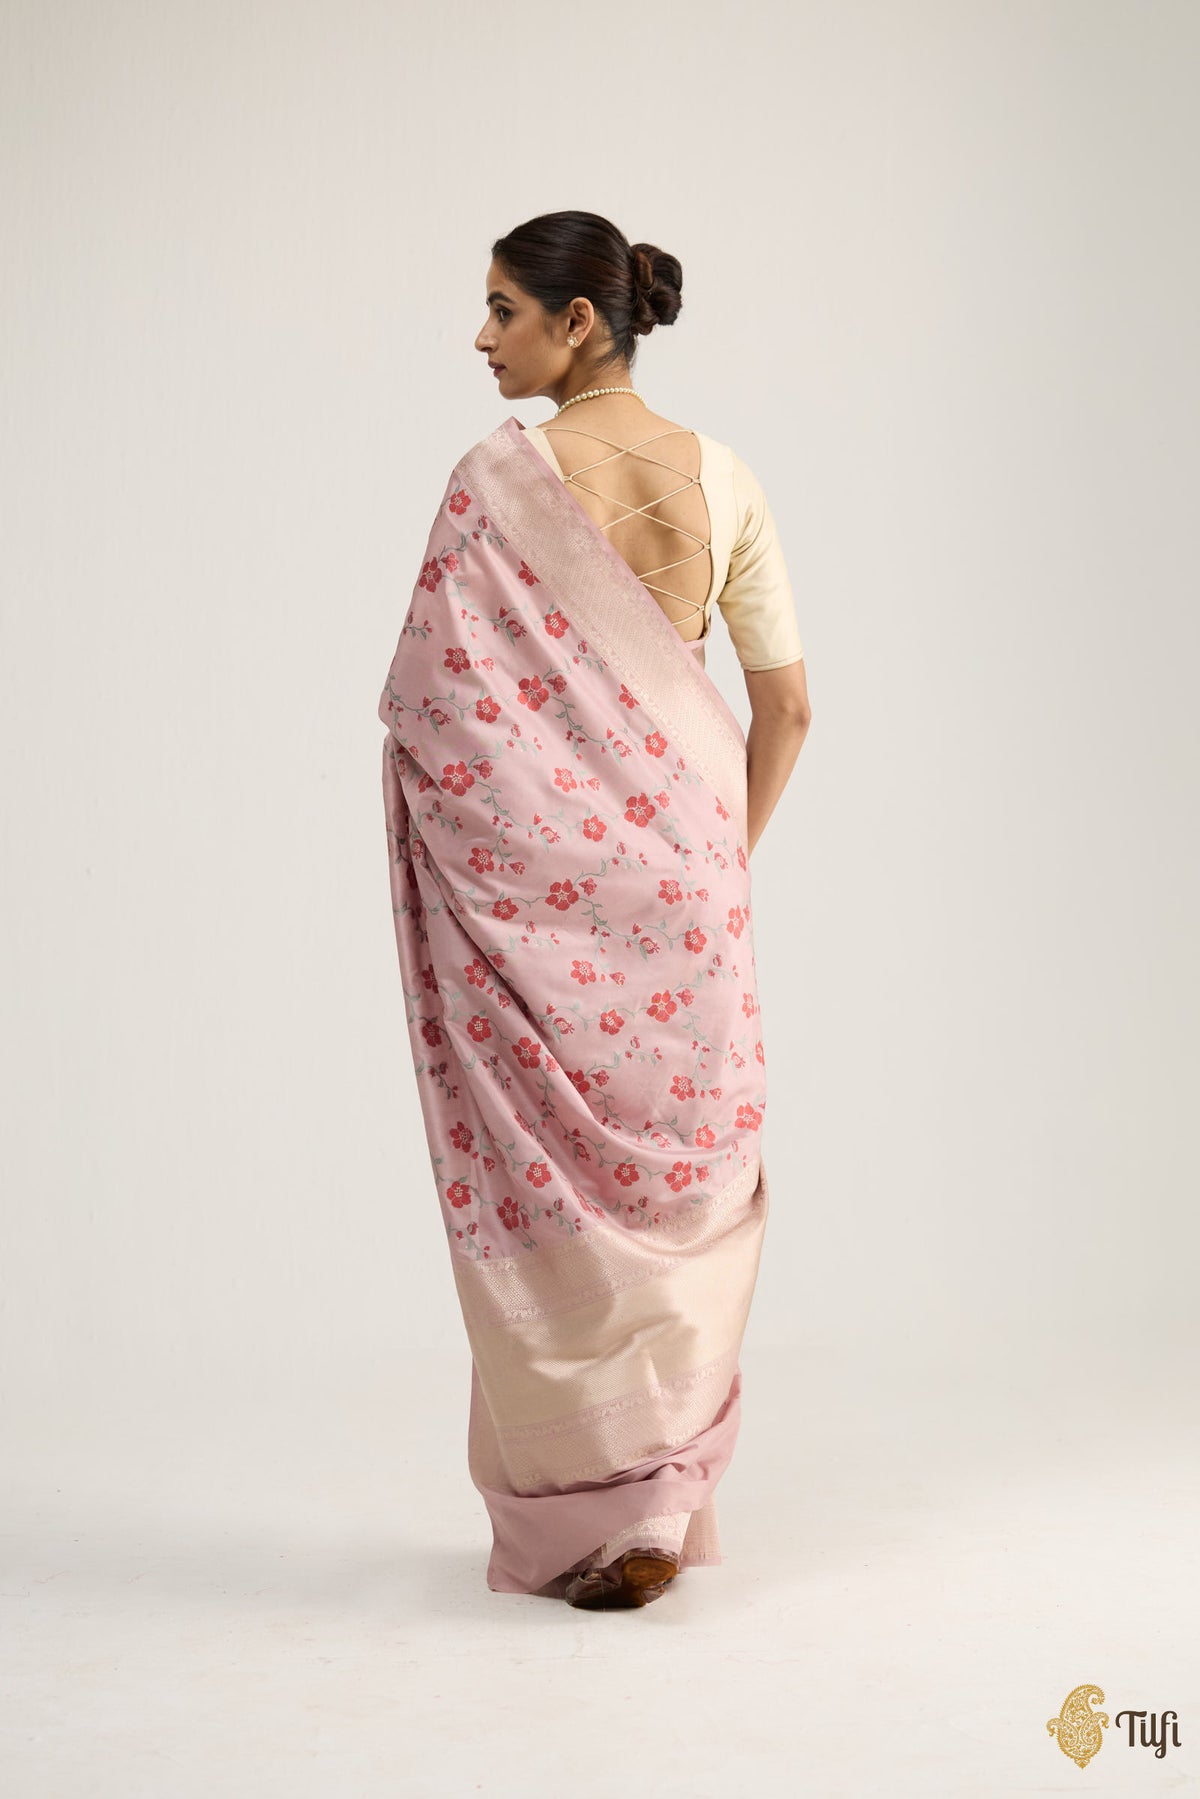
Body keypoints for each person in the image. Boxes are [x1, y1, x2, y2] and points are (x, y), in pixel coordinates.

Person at [378, 210, 812, 1609]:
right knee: (682, 1189)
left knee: (551, 1179)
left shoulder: (493, 485)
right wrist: (715, 864)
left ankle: (597, 1515)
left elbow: (436, 715)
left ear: (579, 322)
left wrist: (524, 852)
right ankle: (658, 1504)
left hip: (535, 910)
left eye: (503, 309)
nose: (482, 337)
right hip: (691, 888)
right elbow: (790, 709)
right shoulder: (727, 479)